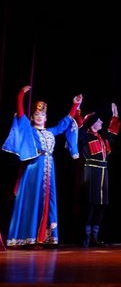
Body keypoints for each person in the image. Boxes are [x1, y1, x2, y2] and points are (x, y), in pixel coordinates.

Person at [2, 85, 82, 248]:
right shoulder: (29, 130)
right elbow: (20, 113)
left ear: (46, 117)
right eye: (37, 114)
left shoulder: (50, 132)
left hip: (49, 169)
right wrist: (21, 95)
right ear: (32, 116)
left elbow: (64, 124)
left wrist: (75, 105)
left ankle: (43, 238)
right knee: (33, 201)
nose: (40, 117)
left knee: (47, 201)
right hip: (34, 169)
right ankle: (28, 238)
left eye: (42, 114)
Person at [76, 102, 121, 248]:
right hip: (91, 171)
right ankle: (86, 237)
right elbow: (79, 126)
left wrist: (115, 115)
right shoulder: (85, 136)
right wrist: (77, 108)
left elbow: (112, 133)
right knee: (90, 204)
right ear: (93, 123)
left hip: (103, 172)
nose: (101, 122)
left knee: (101, 204)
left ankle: (95, 236)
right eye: (99, 120)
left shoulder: (102, 138)